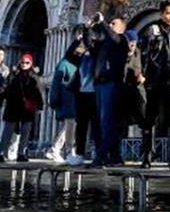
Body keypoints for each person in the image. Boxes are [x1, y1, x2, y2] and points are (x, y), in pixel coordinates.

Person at [142, 0, 170, 168]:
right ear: (161, 13)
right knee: (150, 117)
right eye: (168, 13)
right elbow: (144, 54)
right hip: (155, 80)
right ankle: (147, 155)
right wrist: (144, 75)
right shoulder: (152, 30)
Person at [91, 12, 130, 166]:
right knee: (103, 122)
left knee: (107, 121)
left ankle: (101, 156)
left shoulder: (122, 40)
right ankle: (115, 156)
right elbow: (90, 46)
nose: (110, 26)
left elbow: (113, 36)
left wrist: (103, 23)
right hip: (100, 84)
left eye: (113, 24)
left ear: (121, 27)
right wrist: (88, 29)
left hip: (112, 84)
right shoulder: (105, 45)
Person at [0, 54, 43, 162]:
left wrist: (40, 105)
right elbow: (5, 88)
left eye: (27, 63)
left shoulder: (34, 77)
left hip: (27, 107)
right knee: (8, 131)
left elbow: (39, 92)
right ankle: (2, 153)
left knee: (25, 131)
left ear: (31, 64)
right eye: (22, 62)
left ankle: (21, 153)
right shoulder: (13, 75)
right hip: (12, 105)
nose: (24, 64)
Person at [45, 38, 84, 163]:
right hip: (67, 98)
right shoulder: (64, 63)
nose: (81, 52)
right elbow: (56, 83)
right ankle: (69, 152)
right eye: (79, 49)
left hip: (76, 98)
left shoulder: (80, 64)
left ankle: (54, 149)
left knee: (70, 125)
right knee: (71, 124)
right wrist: (53, 99)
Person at [122, 29, 150, 165]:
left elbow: (148, 68)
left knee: (145, 123)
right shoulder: (119, 54)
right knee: (121, 124)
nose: (131, 44)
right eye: (129, 41)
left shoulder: (141, 54)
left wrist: (144, 76)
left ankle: (146, 156)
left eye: (133, 42)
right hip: (123, 92)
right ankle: (119, 156)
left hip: (138, 92)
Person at [71, 32, 99, 166]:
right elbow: (69, 56)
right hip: (81, 93)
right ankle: (79, 153)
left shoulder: (97, 53)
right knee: (81, 125)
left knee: (96, 124)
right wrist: (76, 42)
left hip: (95, 93)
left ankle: (98, 152)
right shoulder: (81, 56)